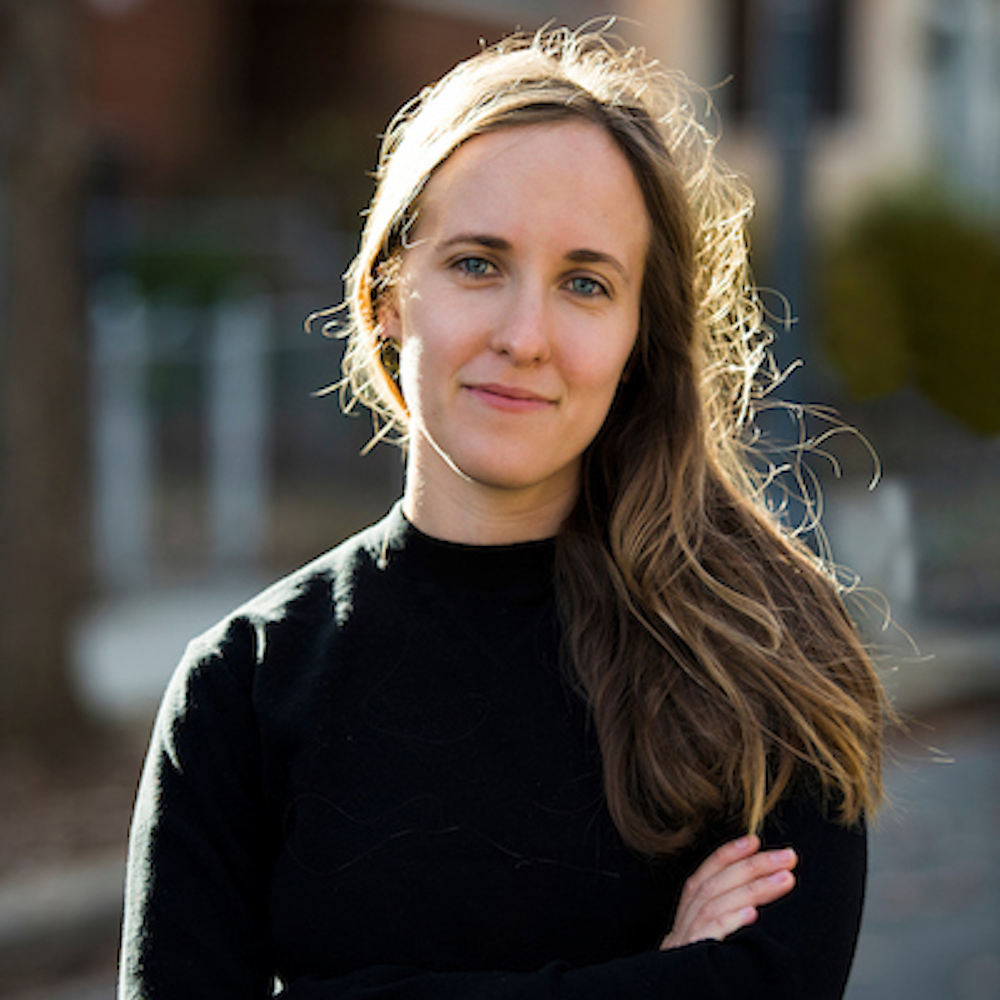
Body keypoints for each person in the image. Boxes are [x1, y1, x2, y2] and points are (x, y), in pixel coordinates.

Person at [118, 26, 889, 1000]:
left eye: (584, 283)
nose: (524, 336)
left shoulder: (764, 654)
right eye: (478, 264)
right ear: (388, 294)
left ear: (636, 336)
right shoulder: (244, 686)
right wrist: (655, 978)